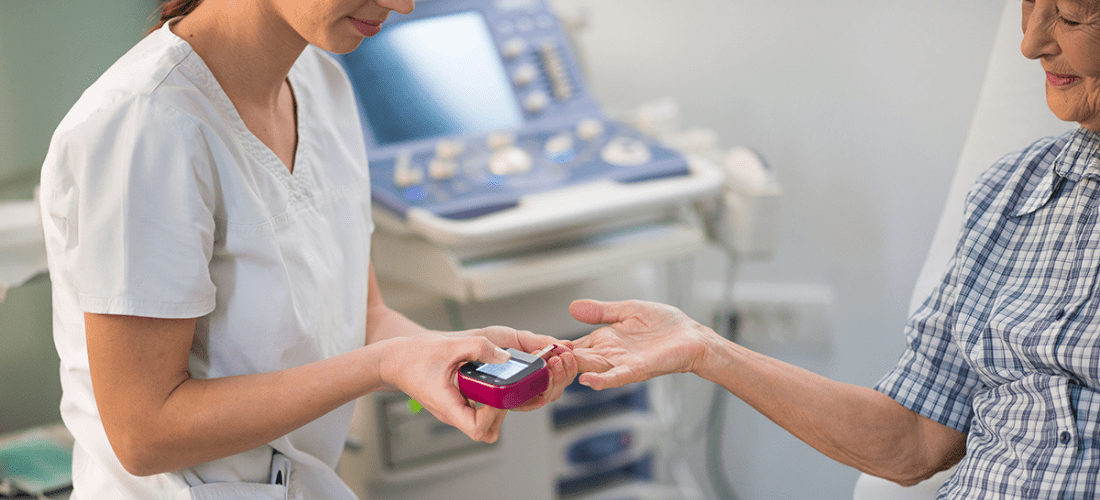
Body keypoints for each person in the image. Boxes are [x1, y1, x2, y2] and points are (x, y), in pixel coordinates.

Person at [38, 0, 577, 498]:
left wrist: (454, 358)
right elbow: (144, 433)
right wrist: (384, 365)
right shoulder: (146, 123)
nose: (404, 4)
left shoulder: (322, 83)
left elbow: (363, 316)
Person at [569, 0, 1100, 498]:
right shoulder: (1010, 194)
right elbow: (914, 437)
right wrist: (706, 351)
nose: (1030, 44)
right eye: (1030, 4)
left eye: (1073, 17)